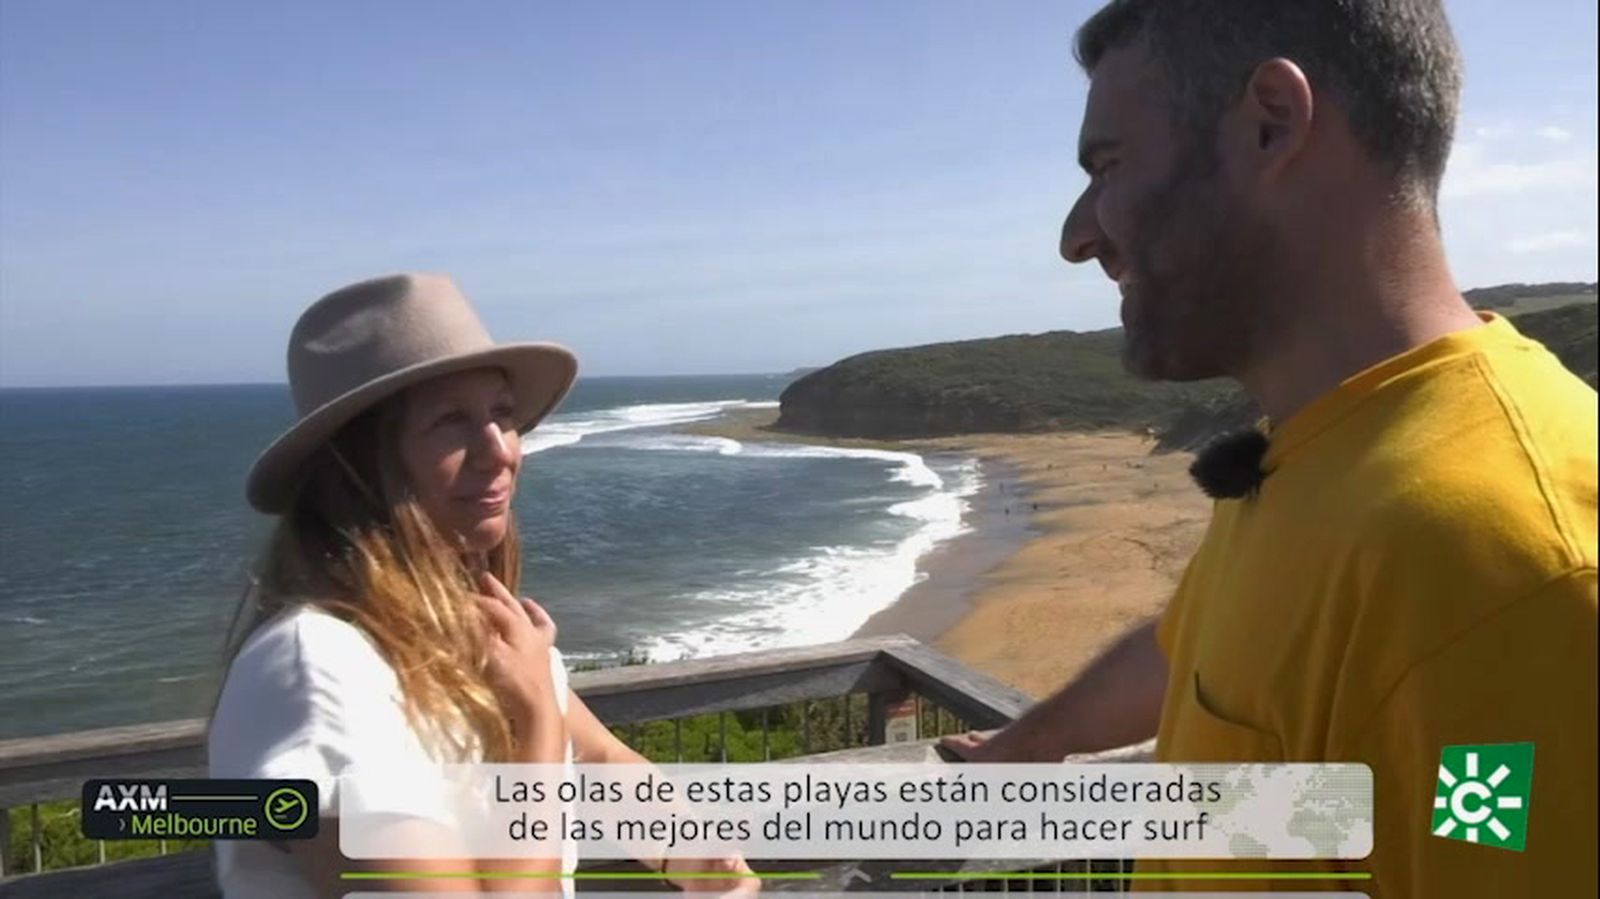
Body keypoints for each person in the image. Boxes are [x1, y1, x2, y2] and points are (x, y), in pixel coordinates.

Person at [941, 1, 1597, 895]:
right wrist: (1033, 740)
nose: (1077, 234)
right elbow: (1199, 650)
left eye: (1108, 166)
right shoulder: (1324, 455)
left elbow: (1485, 834)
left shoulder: (1502, 562)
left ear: (1270, 125)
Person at [208, 273, 758, 897]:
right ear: (359, 464)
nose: (501, 450)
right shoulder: (315, 669)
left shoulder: (469, 626)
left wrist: (701, 860)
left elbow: (603, 765)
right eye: (451, 422)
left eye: (502, 414)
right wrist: (536, 725)